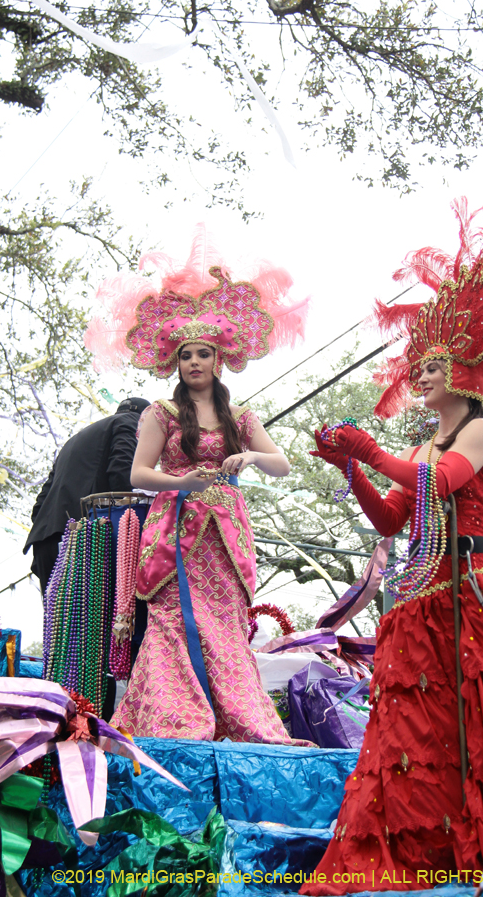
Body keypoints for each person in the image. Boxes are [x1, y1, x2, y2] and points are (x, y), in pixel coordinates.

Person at [304, 179, 483, 893]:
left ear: (465, 370)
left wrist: (373, 453)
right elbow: (394, 519)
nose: (423, 374)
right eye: (421, 364)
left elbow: (443, 485)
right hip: (422, 595)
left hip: (472, 590)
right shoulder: (423, 441)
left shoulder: (479, 431)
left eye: (434, 365)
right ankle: (428, 850)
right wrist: (354, 470)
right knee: (419, 731)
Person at [86, 225, 310, 742]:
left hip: (226, 537)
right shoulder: (161, 414)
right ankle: (173, 721)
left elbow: (283, 466)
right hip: (175, 531)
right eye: (185, 355)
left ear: (219, 358)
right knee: (171, 622)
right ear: (175, 361)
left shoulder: (241, 415)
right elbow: (137, 475)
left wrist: (247, 456)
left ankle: (244, 723)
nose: (194, 363)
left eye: (202, 354)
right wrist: (183, 483)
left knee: (226, 624)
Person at [24, 397, 151, 594]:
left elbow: (40, 502)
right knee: (99, 620)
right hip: (87, 535)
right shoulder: (131, 423)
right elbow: (122, 476)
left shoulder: (74, 440)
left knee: (57, 622)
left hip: (45, 540)